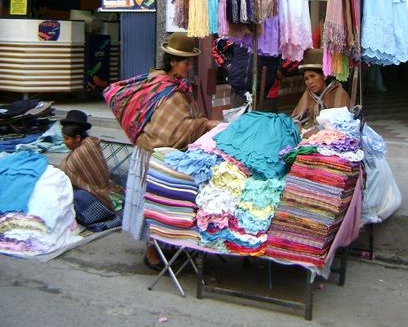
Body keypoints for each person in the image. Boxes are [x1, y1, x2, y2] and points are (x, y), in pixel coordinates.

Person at [104, 32, 219, 270]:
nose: (189, 66)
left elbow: (180, 122)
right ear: (172, 62)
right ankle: (152, 253)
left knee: (165, 203)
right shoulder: (163, 87)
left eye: (190, 62)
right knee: (154, 203)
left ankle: (166, 247)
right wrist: (205, 124)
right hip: (153, 155)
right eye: (186, 62)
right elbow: (169, 130)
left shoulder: (174, 86)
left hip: (163, 154)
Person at [58, 109, 122, 231]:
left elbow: (64, 170)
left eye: (66, 139)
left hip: (101, 198)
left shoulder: (84, 151)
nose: (64, 142)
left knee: (75, 197)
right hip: (105, 191)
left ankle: (99, 216)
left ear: (77, 138)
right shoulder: (90, 142)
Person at [291, 48, 351, 135]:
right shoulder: (308, 94)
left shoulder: (339, 94)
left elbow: (341, 122)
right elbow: (296, 117)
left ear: (324, 76)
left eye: (313, 76)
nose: (309, 82)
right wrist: (297, 126)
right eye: (306, 79)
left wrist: (319, 130)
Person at [211, 37, 280, 109]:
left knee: (263, 119)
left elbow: (291, 53)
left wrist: (281, 71)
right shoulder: (237, 35)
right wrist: (228, 66)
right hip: (238, 93)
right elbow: (215, 49)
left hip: (266, 95)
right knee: (239, 119)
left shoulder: (273, 34)